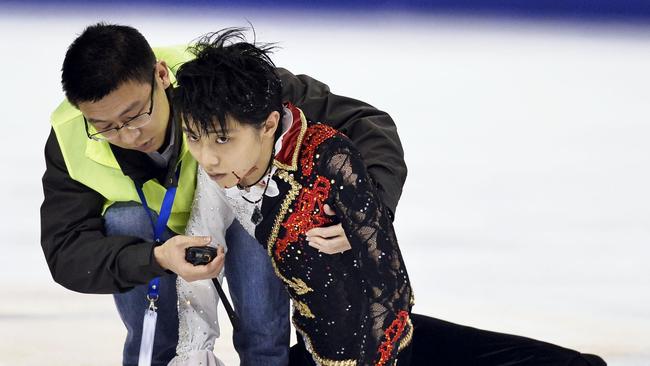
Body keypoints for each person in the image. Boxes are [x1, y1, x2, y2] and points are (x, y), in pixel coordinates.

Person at [170, 29, 607, 366]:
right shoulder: (218, 175)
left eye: (222, 141)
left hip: (383, 346)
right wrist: (192, 352)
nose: (206, 158)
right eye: (194, 137)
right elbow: (198, 266)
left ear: (267, 125)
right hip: (319, 347)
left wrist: (366, 219)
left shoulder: (327, 157)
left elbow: (390, 283)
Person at [41, 23, 407, 366]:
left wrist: (367, 215)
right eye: (105, 127)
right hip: (152, 238)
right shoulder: (70, 136)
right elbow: (66, 252)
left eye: (137, 114)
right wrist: (156, 258)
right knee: (124, 218)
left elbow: (365, 123)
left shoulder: (223, 82)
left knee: (260, 208)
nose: (129, 135)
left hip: (241, 214)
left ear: (161, 75)